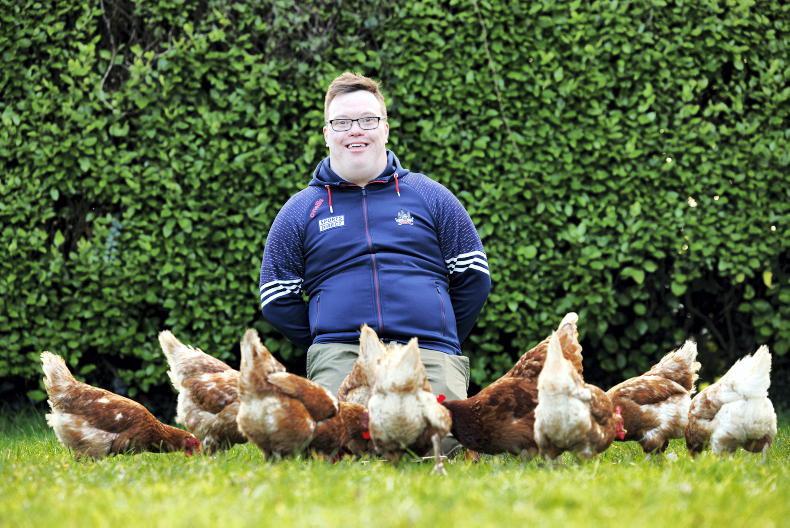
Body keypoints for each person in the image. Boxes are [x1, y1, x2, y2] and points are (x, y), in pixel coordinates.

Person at [258, 72, 491, 411]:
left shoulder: (431, 196)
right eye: (341, 122)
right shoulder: (300, 210)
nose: (356, 130)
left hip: (426, 350)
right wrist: (325, 338)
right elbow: (276, 294)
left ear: (385, 129)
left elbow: (474, 276)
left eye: (368, 120)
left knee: (444, 436)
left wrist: (440, 333)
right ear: (327, 134)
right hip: (341, 353)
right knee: (338, 437)